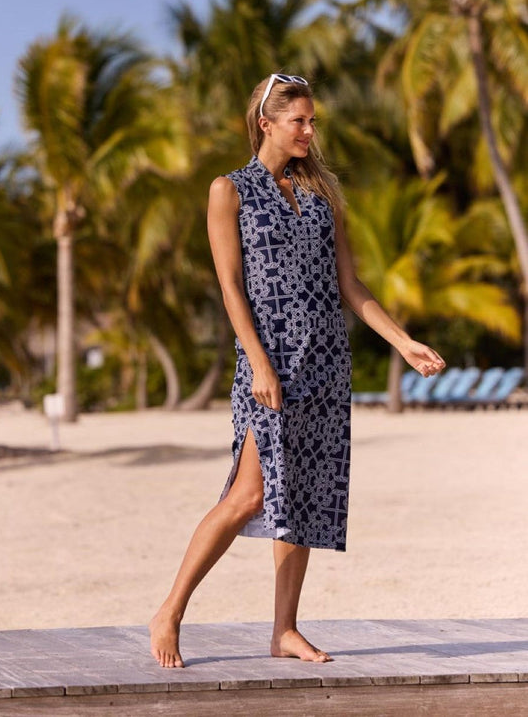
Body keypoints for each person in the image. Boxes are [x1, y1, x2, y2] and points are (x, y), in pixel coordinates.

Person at [149, 73, 445, 668]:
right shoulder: (228, 191)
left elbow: (350, 285)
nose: (310, 131)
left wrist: (403, 341)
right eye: (299, 121)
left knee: (304, 498)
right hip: (270, 364)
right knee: (249, 493)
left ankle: (284, 629)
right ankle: (170, 611)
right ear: (266, 123)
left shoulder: (323, 197)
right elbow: (231, 288)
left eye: (313, 121)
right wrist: (258, 361)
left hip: (327, 361)